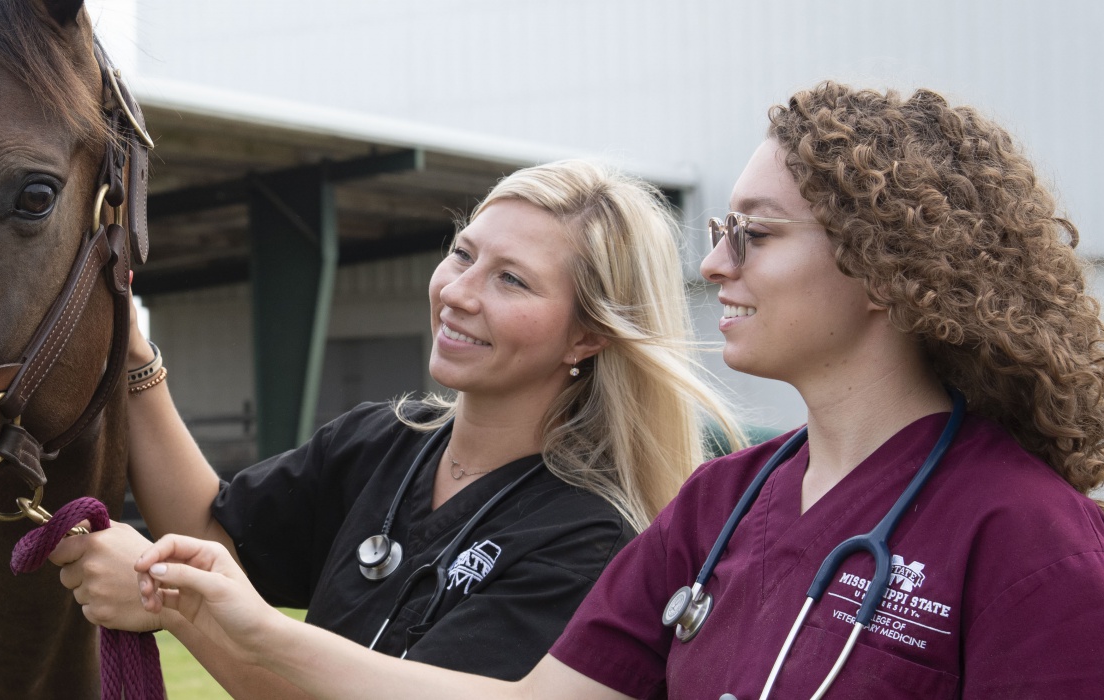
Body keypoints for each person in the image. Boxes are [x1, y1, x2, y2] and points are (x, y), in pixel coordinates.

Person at [125, 82, 1104, 699]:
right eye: (719, 233)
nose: (713, 269)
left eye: (753, 234)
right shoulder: (723, 505)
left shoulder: (1022, 532)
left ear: (885, 268)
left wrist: (245, 628)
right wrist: (239, 623)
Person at [48, 159, 744, 695]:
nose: (459, 293)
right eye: (464, 254)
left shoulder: (590, 540)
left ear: (587, 338)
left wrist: (170, 604)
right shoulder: (384, 441)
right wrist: (134, 357)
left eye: (512, 281)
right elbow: (214, 533)